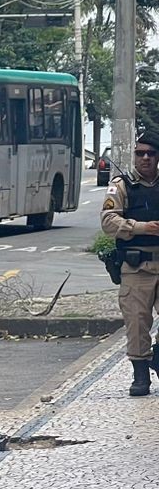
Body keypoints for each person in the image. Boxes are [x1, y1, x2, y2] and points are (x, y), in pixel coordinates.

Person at [101, 129, 159, 396]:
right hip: (137, 268)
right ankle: (140, 376)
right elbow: (108, 221)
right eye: (140, 153)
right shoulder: (121, 186)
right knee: (136, 323)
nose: (145, 158)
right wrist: (140, 227)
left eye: (150, 153)